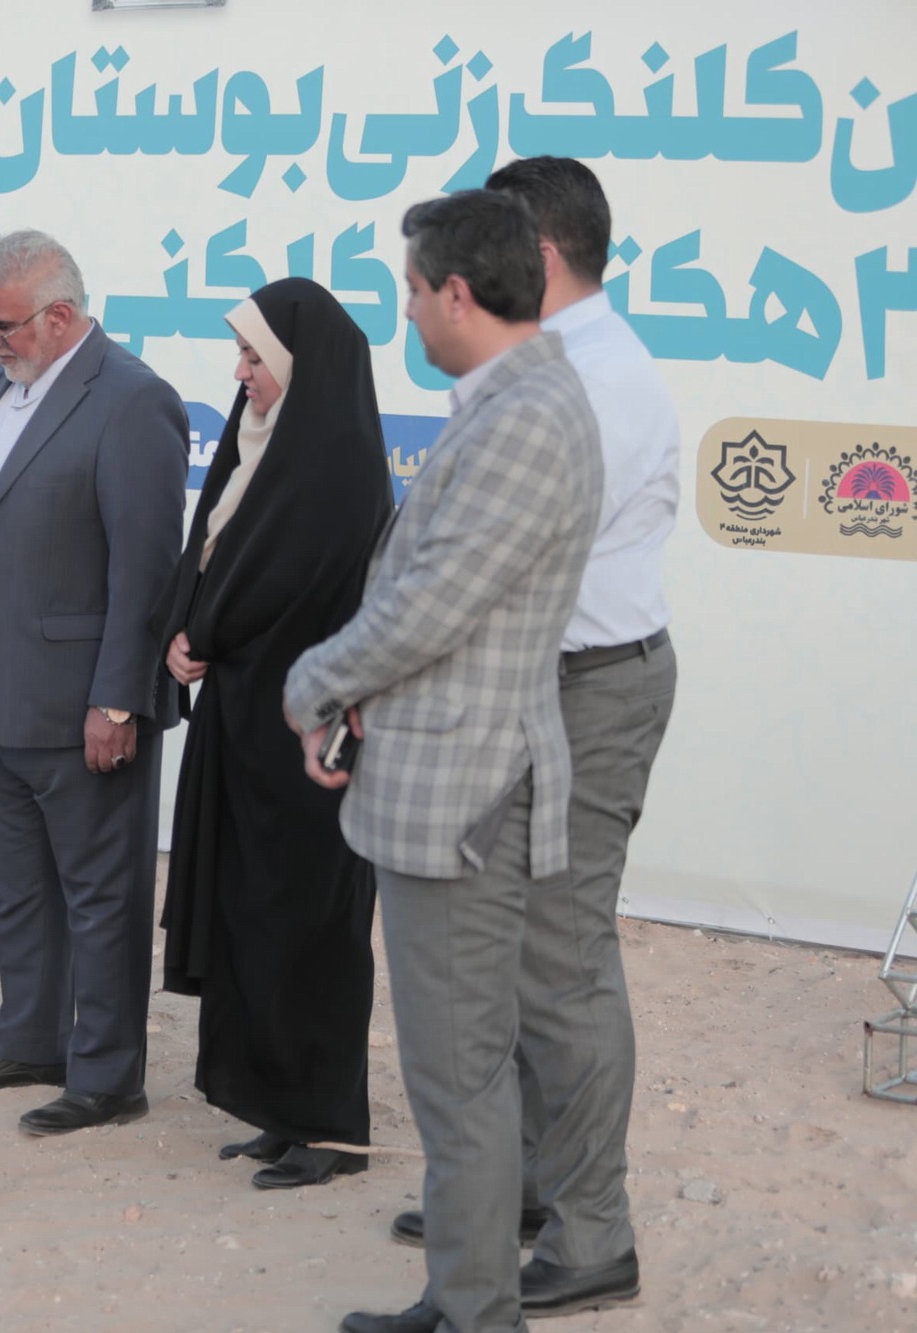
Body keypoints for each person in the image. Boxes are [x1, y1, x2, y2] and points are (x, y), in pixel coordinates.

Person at [361, 156, 676, 1314]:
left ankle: (590, 1233)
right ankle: (517, 1192)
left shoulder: (588, 379)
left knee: (559, 964)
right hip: (537, 685)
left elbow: (478, 571)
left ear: (533, 255)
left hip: (582, 688)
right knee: (506, 962)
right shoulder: (545, 366)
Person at [287, 192, 604, 1333]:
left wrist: (314, 681)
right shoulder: (513, 400)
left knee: (458, 1074)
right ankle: (463, 1295)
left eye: (413, 291)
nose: (408, 311)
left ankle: (475, 1311)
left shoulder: (526, 417)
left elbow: (431, 605)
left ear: (457, 295)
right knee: (460, 1070)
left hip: (463, 791)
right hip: (455, 770)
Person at [0, 231, 186, 1135]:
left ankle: (106, 1075)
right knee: (20, 887)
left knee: (100, 896)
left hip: (81, 704)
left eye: (2, 327)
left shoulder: (132, 400)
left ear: (59, 316)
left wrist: (118, 698)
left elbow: (146, 571)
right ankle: (30, 1039)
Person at [154, 278, 393, 1185]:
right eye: (241, 353)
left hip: (309, 736)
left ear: (301, 364)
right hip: (241, 715)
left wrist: (206, 631)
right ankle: (274, 1107)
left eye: (256, 356)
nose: (241, 372)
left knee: (309, 922)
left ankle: (329, 1125)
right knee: (249, 911)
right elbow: (206, 552)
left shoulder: (339, 462)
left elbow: (287, 583)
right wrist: (182, 631)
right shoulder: (256, 442)